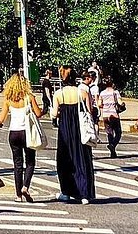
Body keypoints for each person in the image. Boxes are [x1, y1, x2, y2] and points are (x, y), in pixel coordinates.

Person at [0, 73, 43, 203]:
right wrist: (44, 110)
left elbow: (1, 120)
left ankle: (18, 195)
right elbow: (38, 113)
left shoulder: (8, 99)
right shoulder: (29, 97)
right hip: (27, 133)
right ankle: (25, 187)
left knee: (17, 164)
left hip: (14, 133)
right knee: (30, 161)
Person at [51, 65, 96, 204]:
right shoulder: (82, 92)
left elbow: (54, 114)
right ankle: (84, 194)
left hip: (65, 129)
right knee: (81, 159)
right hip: (79, 129)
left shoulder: (59, 93)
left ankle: (66, 192)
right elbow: (89, 111)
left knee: (65, 160)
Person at [97, 78, 124, 158]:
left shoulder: (102, 93)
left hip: (105, 115)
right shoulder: (115, 92)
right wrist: (122, 105)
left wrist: (106, 105)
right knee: (118, 133)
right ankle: (113, 145)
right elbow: (120, 102)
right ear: (112, 84)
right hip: (114, 115)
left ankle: (113, 152)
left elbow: (99, 104)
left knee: (109, 133)